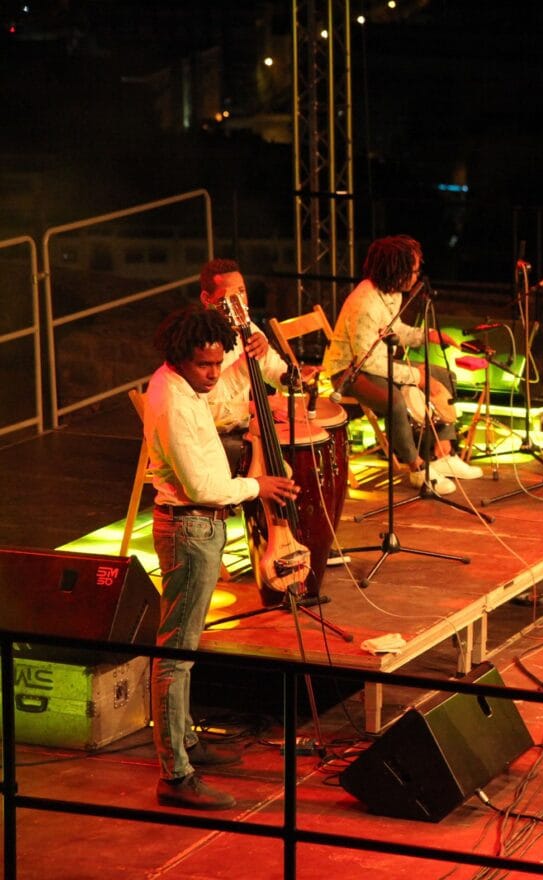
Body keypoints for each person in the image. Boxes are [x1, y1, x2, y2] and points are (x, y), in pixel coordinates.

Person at [143, 306, 300, 809]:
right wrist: (260, 485)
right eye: (205, 366)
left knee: (184, 650)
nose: (214, 373)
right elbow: (201, 484)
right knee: (177, 654)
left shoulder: (183, 384)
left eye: (217, 363)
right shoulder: (174, 402)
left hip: (198, 526)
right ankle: (175, 775)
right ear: (181, 358)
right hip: (189, 527)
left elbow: (237, 347)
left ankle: (185, 741)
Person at [322, 234, 482, 494]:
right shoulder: (365, 303)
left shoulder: (393, 292)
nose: (417, 276)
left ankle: (443, 454)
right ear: (396, 270)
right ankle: (418, 469)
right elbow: (368, 361)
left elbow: (395, 330)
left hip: (377, 363)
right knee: (394, 401)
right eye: (414, 270)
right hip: (350, 372)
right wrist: (416, 377)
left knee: (445, 376)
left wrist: (426, 335)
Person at [196, 259, 289, 472]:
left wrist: (291, 377)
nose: (238, 301)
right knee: (278, 461)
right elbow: (204, 411)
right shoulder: (199, 341)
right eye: (229, 295)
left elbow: (273, 370)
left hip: (240, 428)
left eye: (242, 291)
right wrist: (252, 406)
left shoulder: (247, 327)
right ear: (206, 299)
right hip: (210, 437)